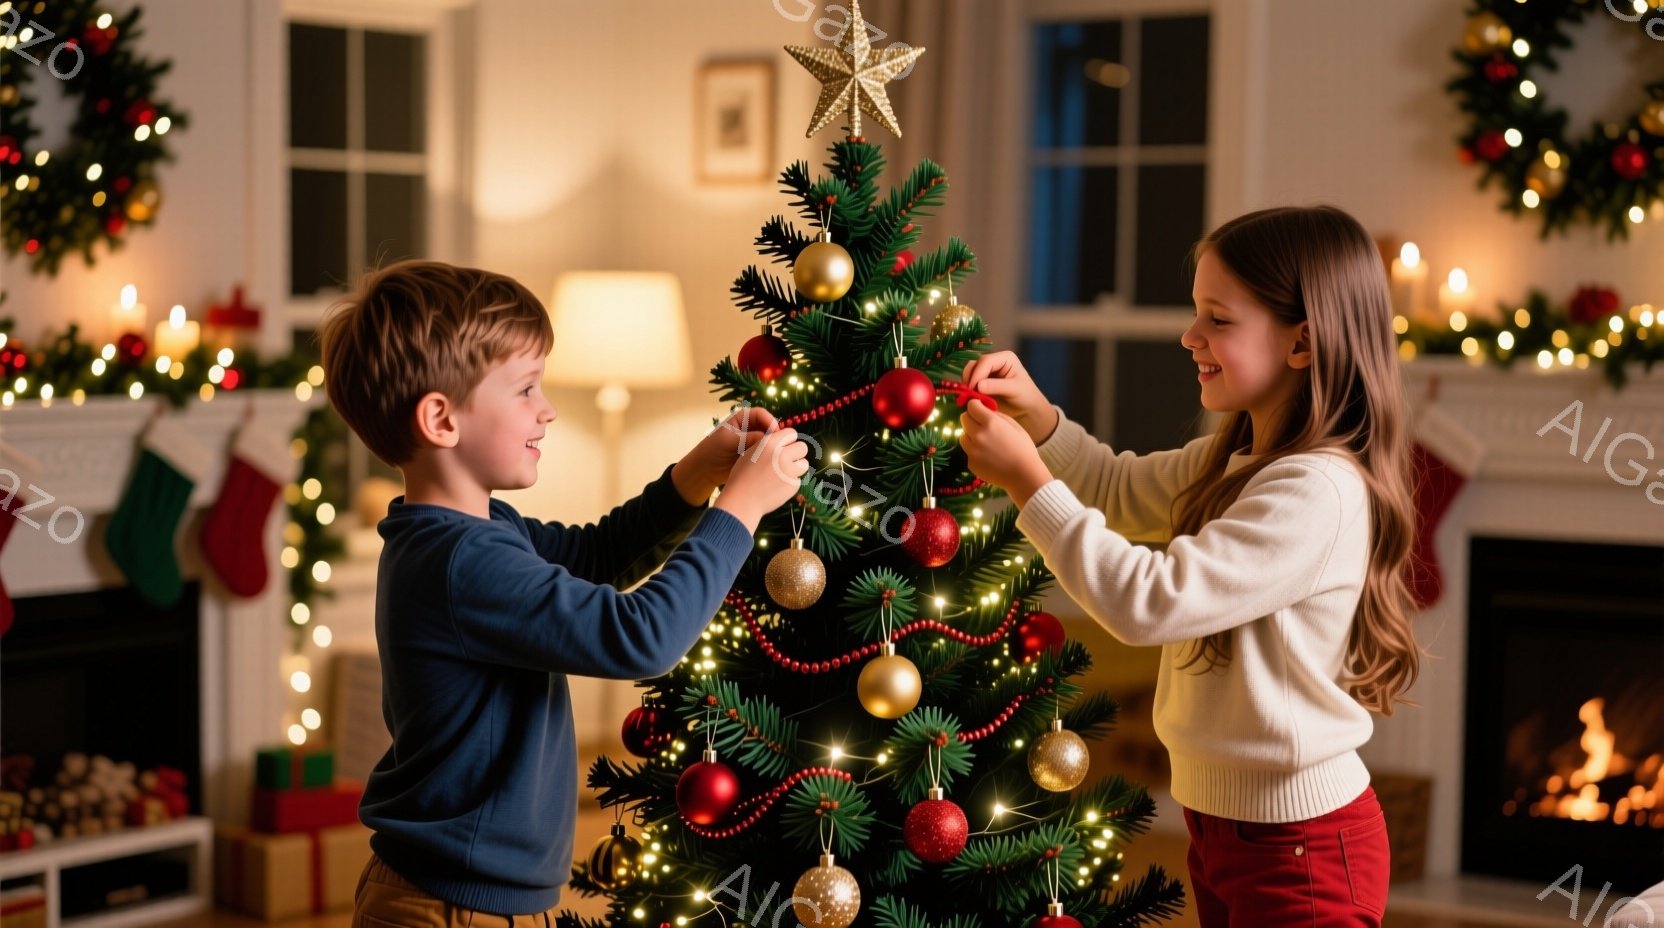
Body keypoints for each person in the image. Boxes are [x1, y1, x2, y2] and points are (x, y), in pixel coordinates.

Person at [958, 206, 1421, 926]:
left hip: (1299, 847)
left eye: (1218, 319)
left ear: (1302, 343)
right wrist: (1040, 421)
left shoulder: (1315, 490)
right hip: (1224, 829)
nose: (1189, 336)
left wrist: (1027, 482)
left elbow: (1150, 602)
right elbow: (1113, 488)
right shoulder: (1238, 462)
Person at [316, 259, 808, 927]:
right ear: (440, 418)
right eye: (524, 389)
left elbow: (597, 554)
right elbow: (640, 636)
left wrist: (696, 475)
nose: (546, 409)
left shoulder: (477, 531)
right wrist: (739, 512)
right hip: (450, 907)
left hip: (470, 896)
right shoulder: (462, 561)